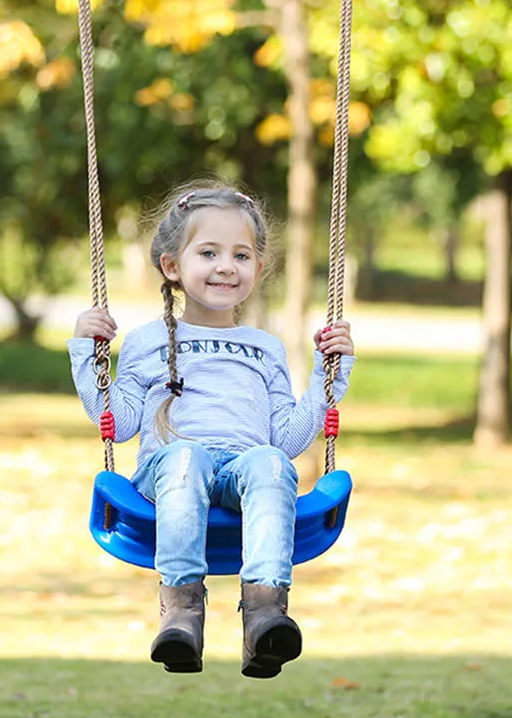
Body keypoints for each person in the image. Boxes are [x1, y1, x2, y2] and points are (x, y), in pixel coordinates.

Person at [69, 180, 355, 678]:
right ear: (172, 266)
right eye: (209, 252)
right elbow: (118, 424)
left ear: (258, 268)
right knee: (188, 457)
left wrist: (329, 376)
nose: (227, 266)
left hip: (246, 473)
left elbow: (285, 440)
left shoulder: (264, 347)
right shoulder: (147, 341)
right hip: (170, 473)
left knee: (269, 461)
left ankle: (266, 612)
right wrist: (84, 352)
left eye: (242, 255)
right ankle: (181, 610)